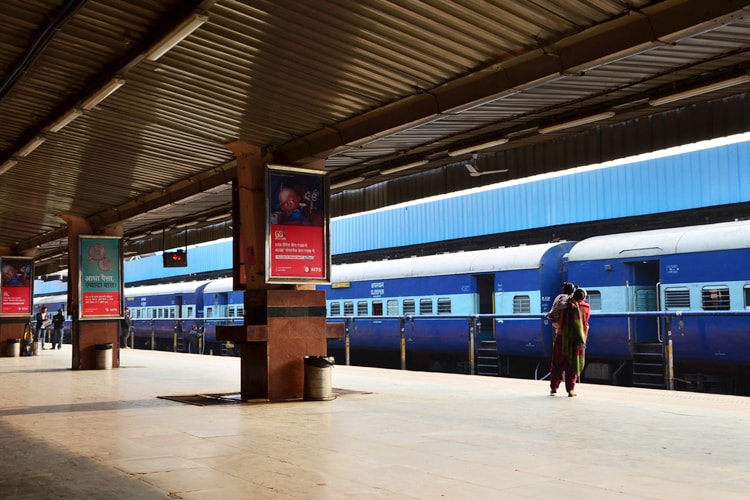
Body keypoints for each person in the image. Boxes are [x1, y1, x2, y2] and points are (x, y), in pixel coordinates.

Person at [549, 287, 590, 397]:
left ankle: (554, 387)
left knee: (557, 363)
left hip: (562, 337)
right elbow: (585, 325)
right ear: (584, 297)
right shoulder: (585, 307)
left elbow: (558, 322)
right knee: (572, 365)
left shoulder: (564, 305)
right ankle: (570, 390)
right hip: (576, 340)